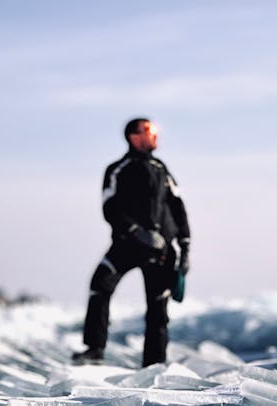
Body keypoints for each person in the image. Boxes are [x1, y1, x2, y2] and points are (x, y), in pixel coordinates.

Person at [72, 117, 191, 367]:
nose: (155, 135)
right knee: (99, 286)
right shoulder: (117, 168)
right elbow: (109, 207)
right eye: (149, 130)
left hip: (161, 250)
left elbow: (178, 207)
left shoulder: (161, 168)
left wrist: (185, 246)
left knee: (158, 307)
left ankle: (154, 365)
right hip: (127, 245)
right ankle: (94, 350)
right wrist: (136, 231)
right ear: (133, 137)